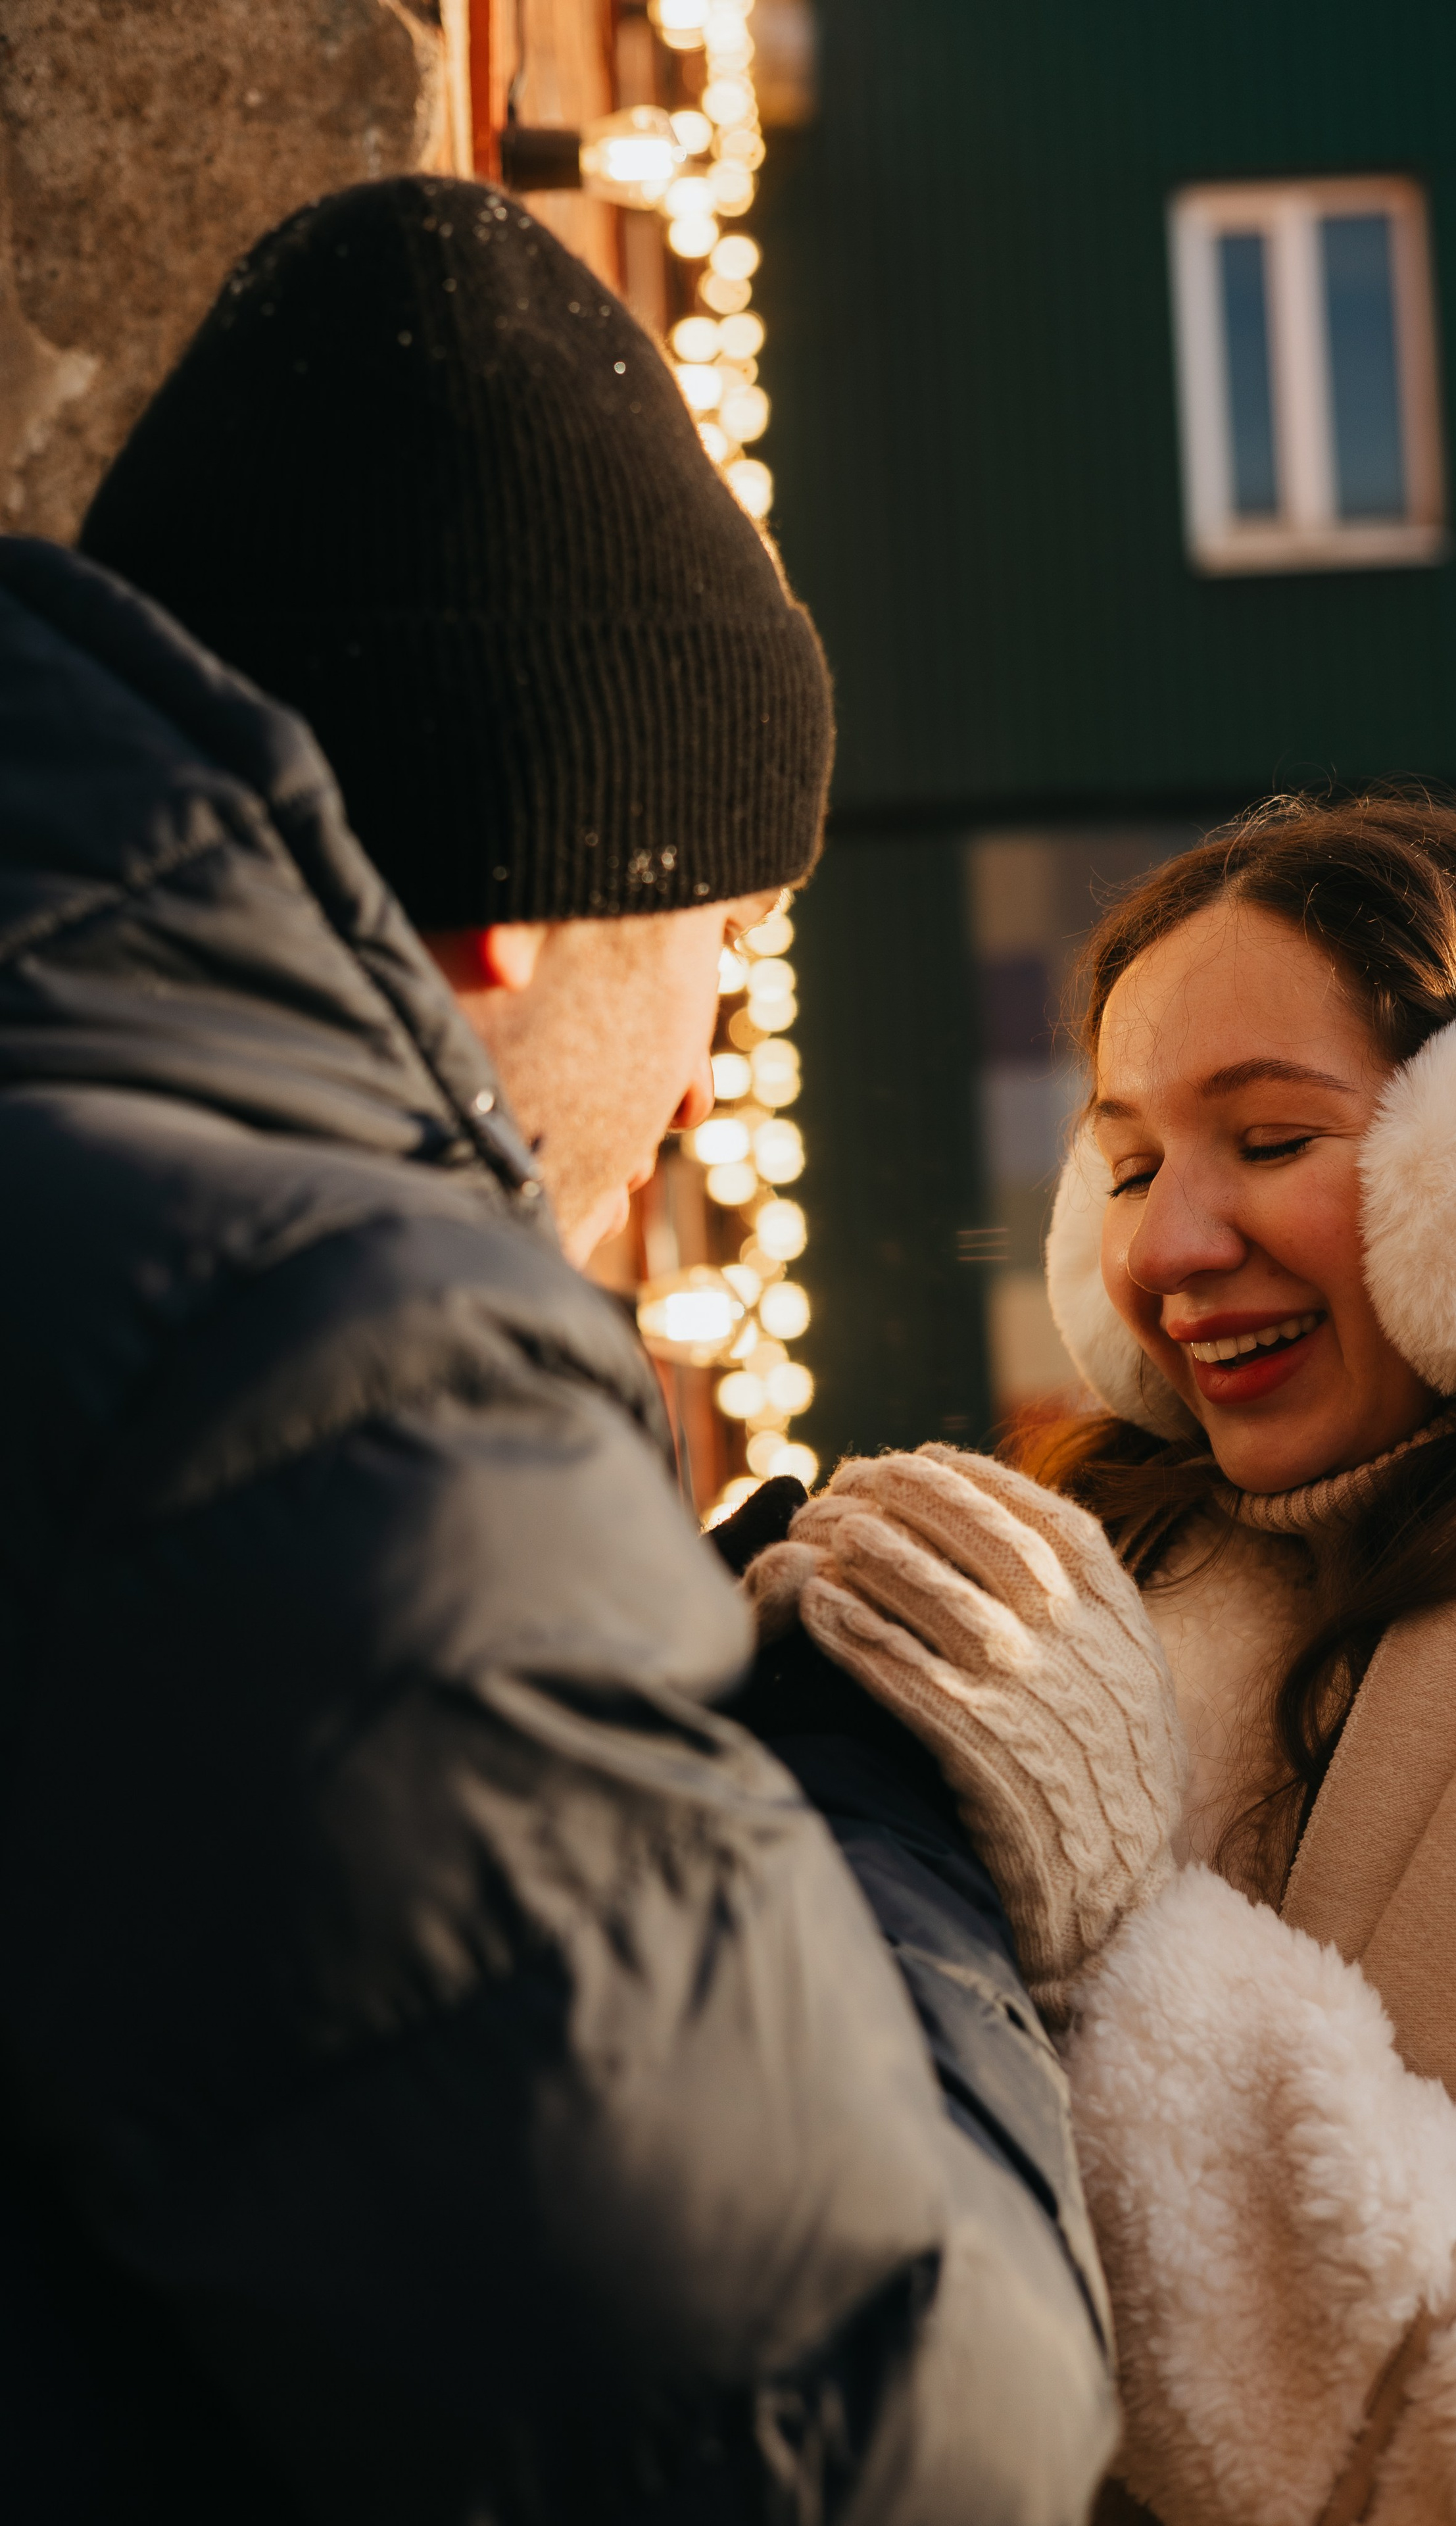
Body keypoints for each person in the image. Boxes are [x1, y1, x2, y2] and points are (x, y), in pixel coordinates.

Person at [0, 178, 1115, 2521]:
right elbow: (893, 2440)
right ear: (522, 895)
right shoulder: (325, 1383)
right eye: (724, 928)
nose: (709, 1071)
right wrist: (875, 1807)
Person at [757, 793, 1456, 2522]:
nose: (1164, 1251)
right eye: (1126, 1168)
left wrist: (1124, 1941)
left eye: (1266, 1141)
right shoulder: (1111, 1573)